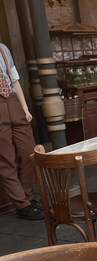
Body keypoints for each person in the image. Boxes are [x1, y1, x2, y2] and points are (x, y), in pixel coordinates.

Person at [0, 43, 43, 220]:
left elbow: (14, 80)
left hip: (12, 101)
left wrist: (25, 108)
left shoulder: (3, 49)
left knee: (28, 152)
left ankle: (27, 197)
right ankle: (22, 205)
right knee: (6, 159)